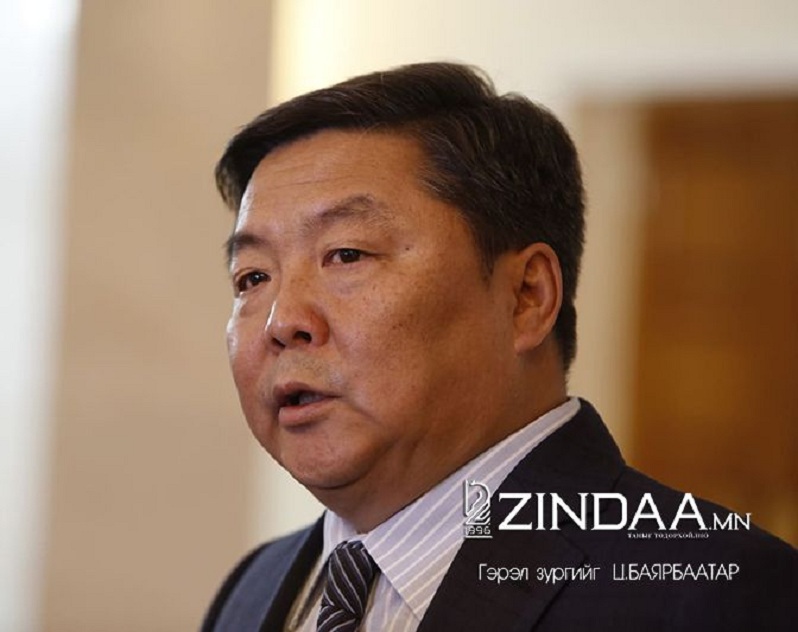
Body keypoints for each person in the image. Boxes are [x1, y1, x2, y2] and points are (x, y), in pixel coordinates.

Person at [201, 62, 797, 631]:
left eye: (347, 254)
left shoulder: (717, 594)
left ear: (526, 297)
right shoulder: (253, 590)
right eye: (252, 278)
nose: (282, 321)